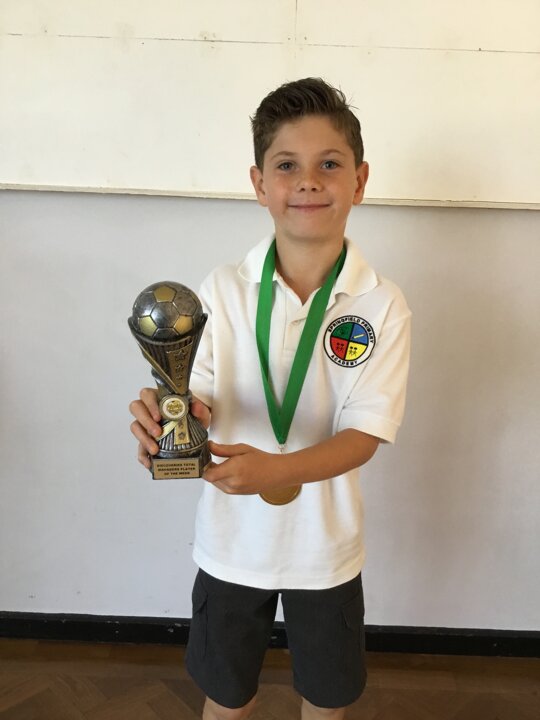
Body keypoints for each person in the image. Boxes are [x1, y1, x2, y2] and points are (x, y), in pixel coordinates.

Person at [129, 77, 411, 720]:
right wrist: (169, 419)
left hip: (326, 549)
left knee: (327, 701)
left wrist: (277, 471)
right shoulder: (222, 290)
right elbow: (196, 395)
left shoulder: (381, 304)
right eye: (286, 165)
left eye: (329, 164)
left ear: (360, 180)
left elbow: (366, 432)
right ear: (259, 184)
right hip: (232, 543)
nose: (308, 181)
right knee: (227, 699)